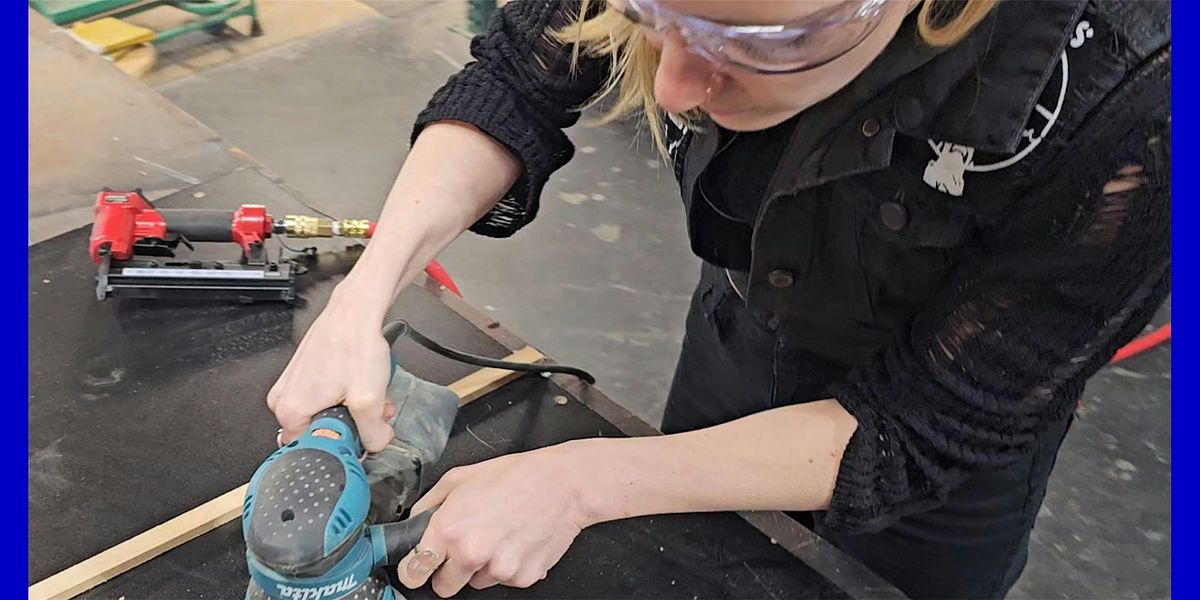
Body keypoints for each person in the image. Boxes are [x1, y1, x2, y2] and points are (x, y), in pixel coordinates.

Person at [267, 0, 1171, 598]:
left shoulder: (1139, 98)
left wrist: (585, 480)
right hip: (737, 339)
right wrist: (363, 293)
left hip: (931, 481)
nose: (673, 88)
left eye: (757, 41)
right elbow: (514, 82)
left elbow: (923, 426)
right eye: (650, 14)